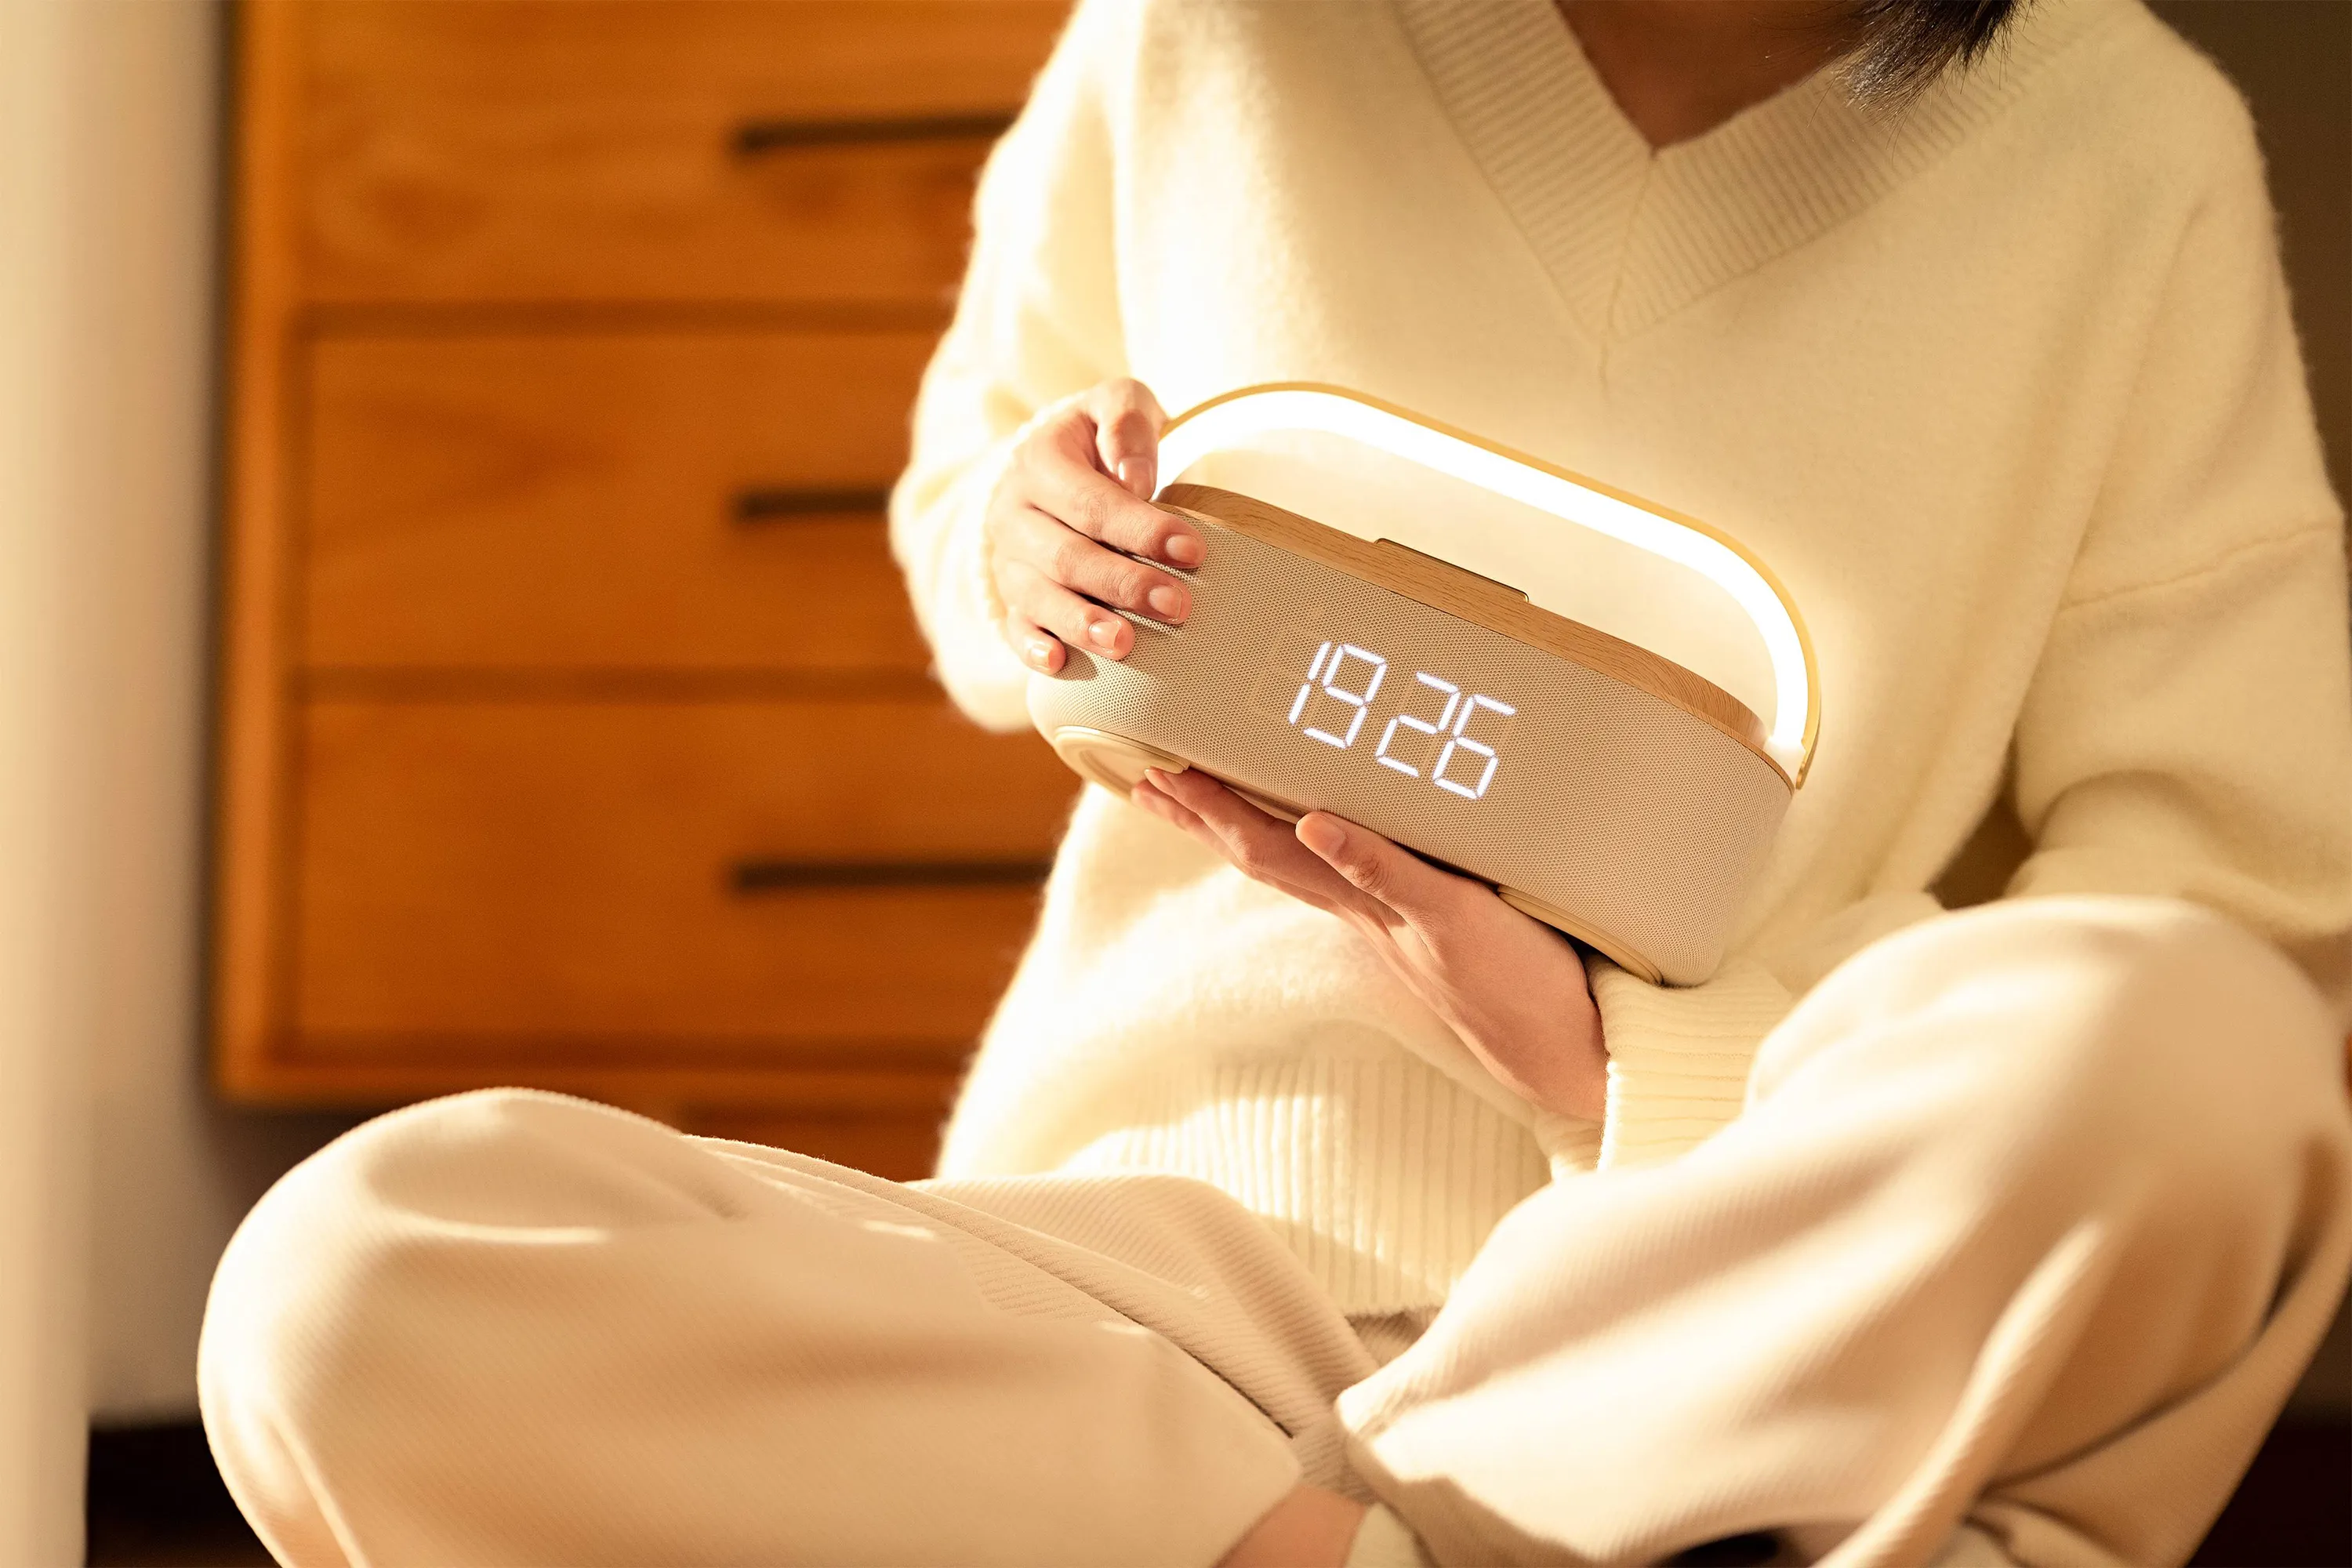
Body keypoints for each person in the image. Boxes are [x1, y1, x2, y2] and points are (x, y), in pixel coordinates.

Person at [199, 2, 2352, 1563]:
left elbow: (2238, 893)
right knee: (351, 1278)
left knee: (2200, 1043)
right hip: (1141, 1303)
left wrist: (1634, 1073)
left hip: (1739, 1280)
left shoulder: (2120, 152)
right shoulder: (1196, 36)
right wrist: (1024, 549)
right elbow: (977, 493)